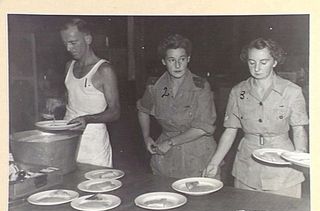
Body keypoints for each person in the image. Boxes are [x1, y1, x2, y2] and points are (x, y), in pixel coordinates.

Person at [204, 38, 308, 198]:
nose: (257, 68)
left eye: (263, 62)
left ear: (275, 62)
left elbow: (299, 129)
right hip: (247, 167)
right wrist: (214, 162)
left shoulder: (292, 91)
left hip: (283, 168)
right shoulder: (238, 91)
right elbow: (230, 130)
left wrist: (299, 155)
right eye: (252, 62)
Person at [137, 34, 217, 178]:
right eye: (172, 60)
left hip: (197, 155)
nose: (178, 65)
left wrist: (170, 142)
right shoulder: (155, 86)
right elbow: (143, 110)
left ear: (188, 59)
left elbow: (202, 128)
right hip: (166, 156)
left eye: (182, 59)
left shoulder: (200, 86)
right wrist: (146, 137)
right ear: (163, 61)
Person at [59, 18, 120, 167]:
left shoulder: (104, 70)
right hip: (68, 140)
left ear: (88, 39)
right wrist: (58, 102)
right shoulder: (69, 66)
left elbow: (115, 112)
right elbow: (74, 98)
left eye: (73, 42)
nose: (68, 48)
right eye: (65, 43)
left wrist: (87, 119)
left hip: (94, 145)